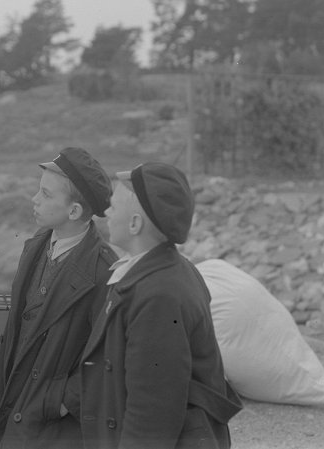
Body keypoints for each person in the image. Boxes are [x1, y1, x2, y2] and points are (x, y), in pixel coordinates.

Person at [79, 162, 242, 449]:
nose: (105, 214)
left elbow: (152, 412)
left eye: (113, 207)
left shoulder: (158, 295)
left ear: (134, 224)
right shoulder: (169, 271)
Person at [0, 147, 118, 449]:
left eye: (46, 194)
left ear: (74, 211)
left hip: (52, 427)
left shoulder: (105, 271)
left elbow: (111, 359)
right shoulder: (36, 246)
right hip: (11, 401)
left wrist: (61, 401)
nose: (35, 199)